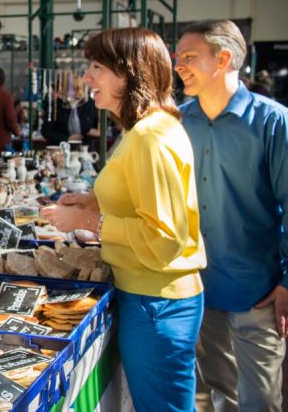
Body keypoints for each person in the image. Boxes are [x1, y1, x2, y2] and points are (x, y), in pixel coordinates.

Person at [42, 28, 207, 412]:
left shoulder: (150, 136)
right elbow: (142, 200)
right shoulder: (144, 129)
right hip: (152, 297)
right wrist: (93, 200)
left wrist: (86, 221)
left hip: (157, 302)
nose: (87, 77)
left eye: (96, 67)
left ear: (128, 73)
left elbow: (164, 236)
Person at [175, 20, 288, 411]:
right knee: (215, 391)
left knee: (260, 399)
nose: (179, 66)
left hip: (258, 290)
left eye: (189, 57)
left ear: (223, 59)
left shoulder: (274, 123)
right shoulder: (179, 122)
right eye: (177, 57)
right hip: (198, 286)